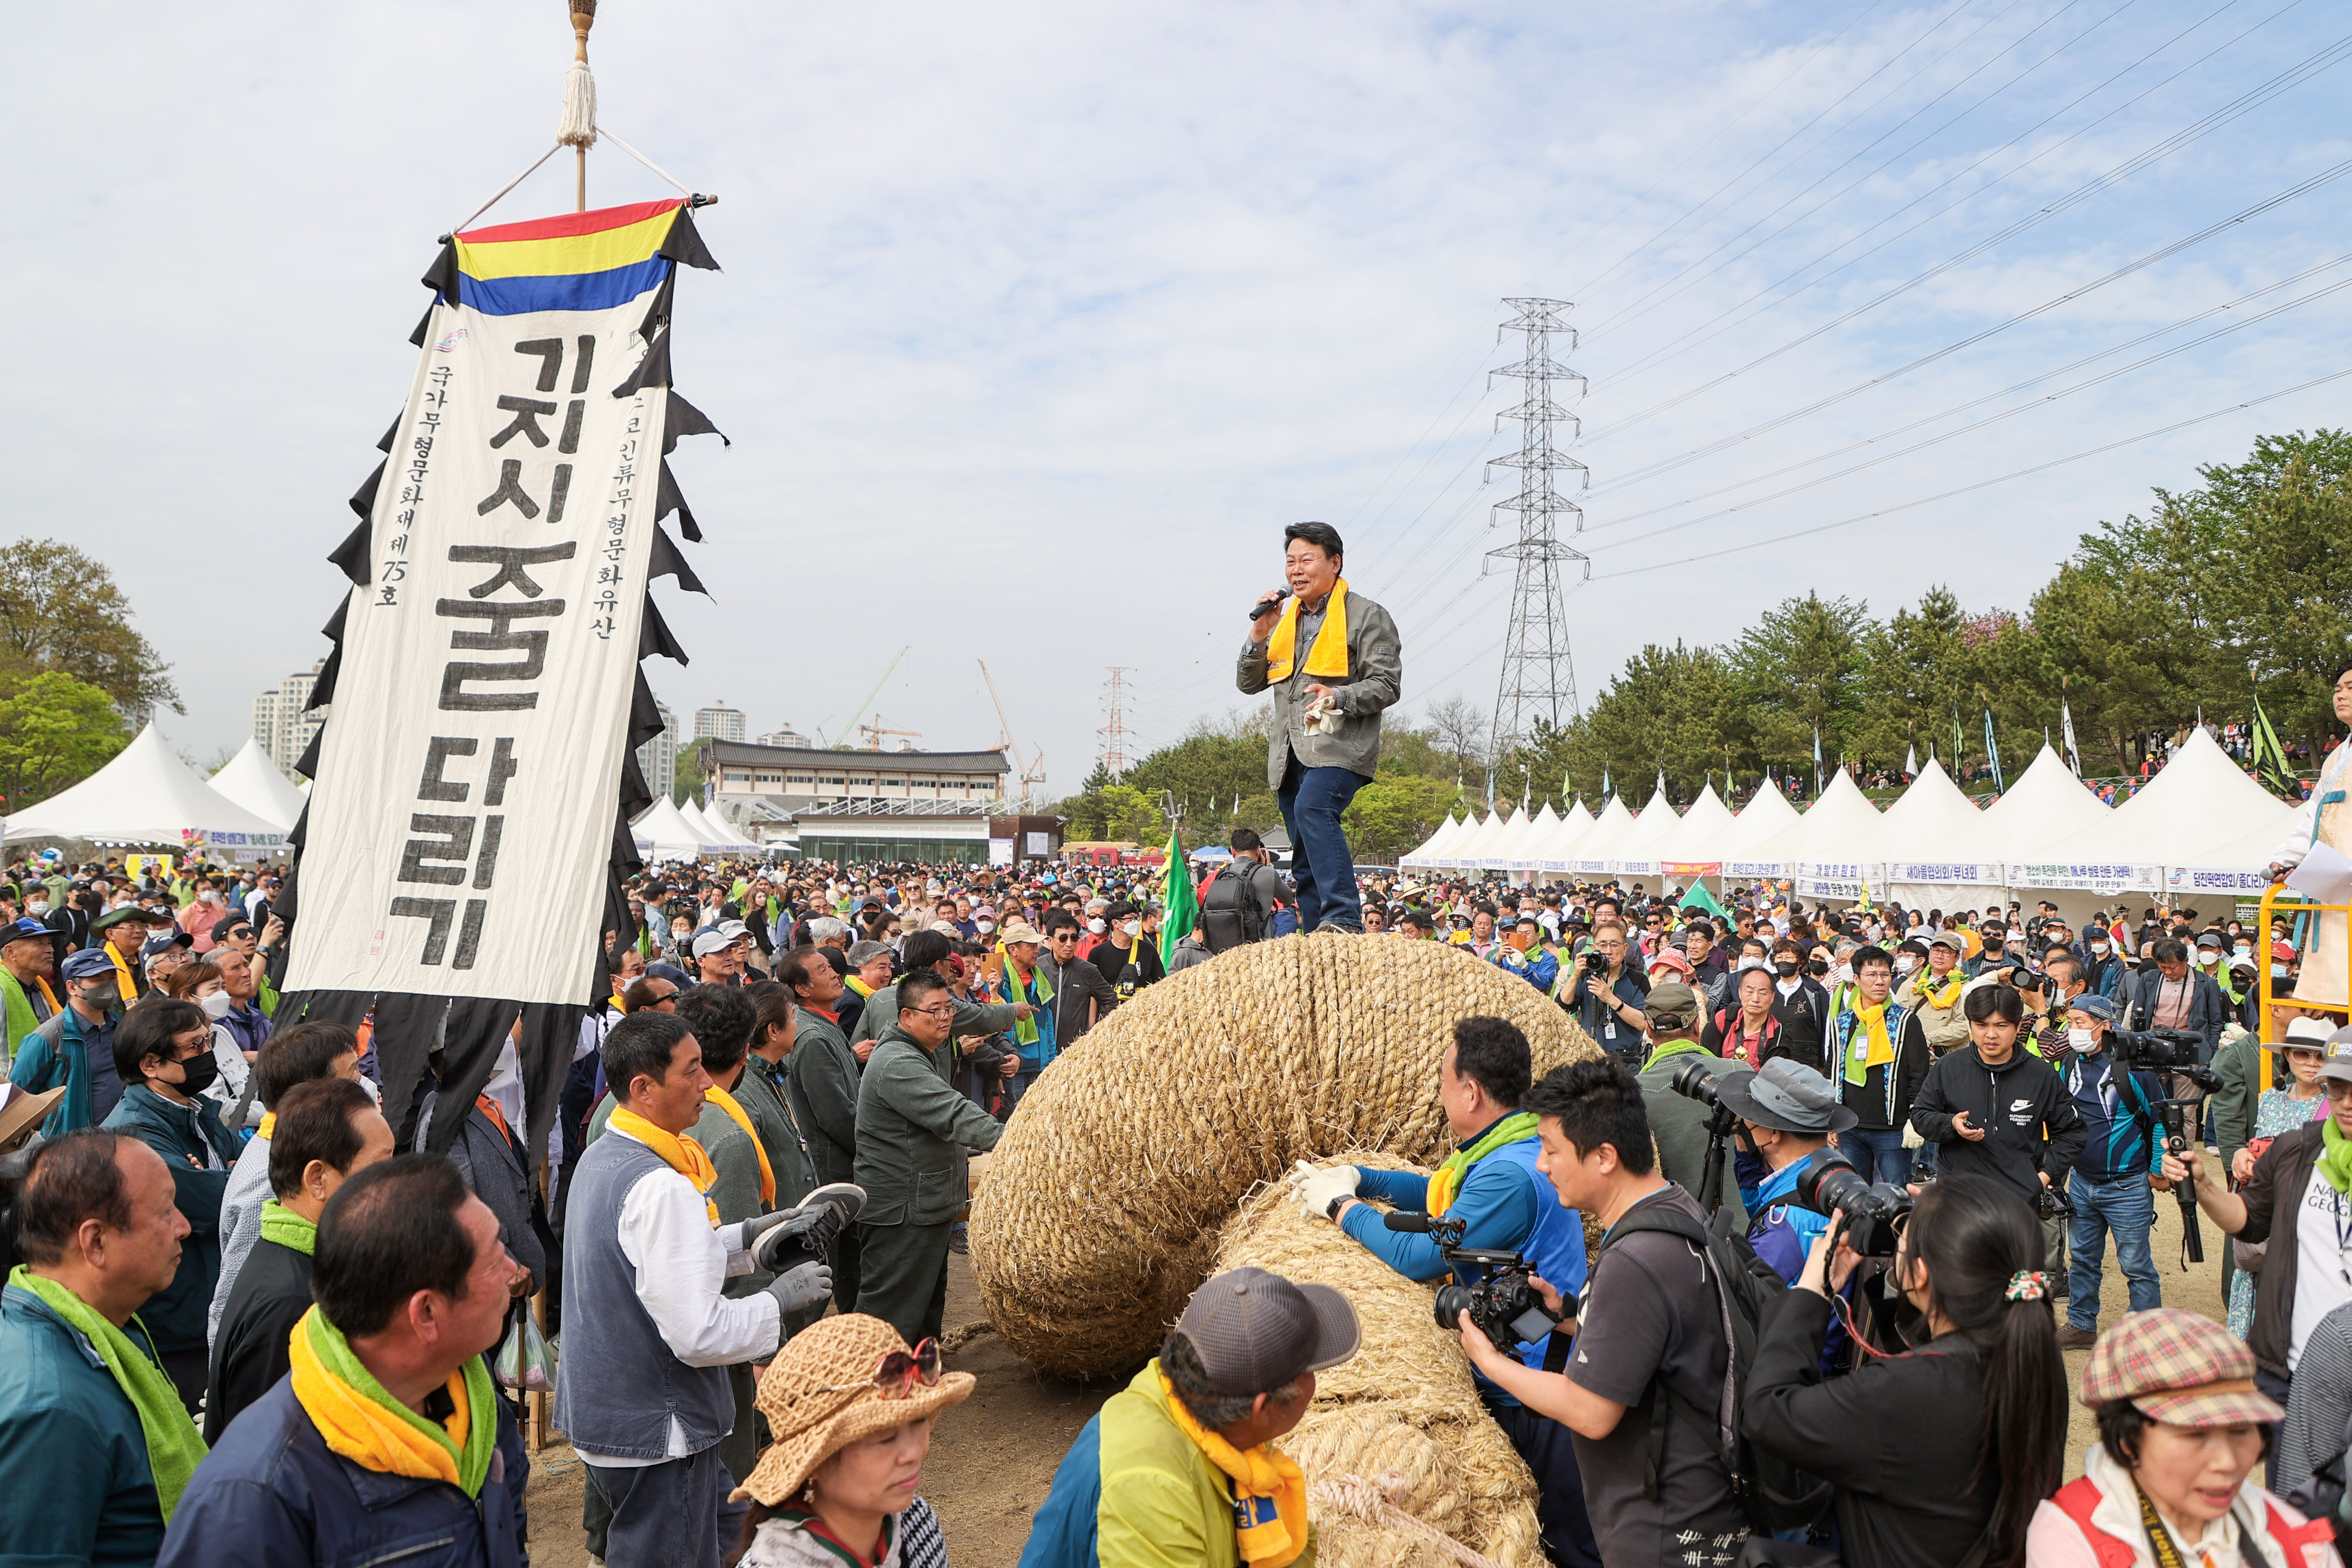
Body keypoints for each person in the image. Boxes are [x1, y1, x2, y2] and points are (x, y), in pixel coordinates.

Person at [1293, 1015, 1599, 1566]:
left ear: (1471, 1090)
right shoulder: (1506, 1146)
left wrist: (1341, 1207)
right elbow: (1441, 1199)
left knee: (1565, 1535)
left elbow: (1420, 1254)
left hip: (1540, 1387)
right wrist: (1361, 1176)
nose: (1439, 1092)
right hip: (1528, 1371)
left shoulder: (1509, 1174)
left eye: (1442, 1079)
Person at [555, 1010, 846, 1568]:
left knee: (736, 1538)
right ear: (644, 1088)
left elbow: (660, 1261)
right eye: (691, 1071)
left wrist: (751, 1234)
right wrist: (778, 1299)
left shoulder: (607, 1151)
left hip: (615, 1416)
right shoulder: (661, 1184)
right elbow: (697, 1332)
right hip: (659, 1428)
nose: (707, 1082)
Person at [159, 1156, 532, 1567]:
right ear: (426, 1313)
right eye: (495, 1259)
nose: (512, 1271)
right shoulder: (256, 1495)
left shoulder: (476, 1411)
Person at [1455, 1056, 1750, 1568]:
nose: (1542, 1165)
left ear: (1605, 1156)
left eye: (1551, 1150)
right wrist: (1569, 1317)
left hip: (1663, 1534)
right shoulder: (1677, 1208)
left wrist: (1489, 1360)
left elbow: (1591, 1411)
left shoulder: (1634, 1261)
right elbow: (1662, 1336)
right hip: (1709, 1508)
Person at [1747, 1174, 2068, 1568]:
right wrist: (1939, 1218)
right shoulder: (2028, 1356)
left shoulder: (1904, 1394)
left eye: (1901, 1243)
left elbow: (1767, 1412)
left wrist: (1814, 1286)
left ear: (1919, 1275)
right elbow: (1928, 1349)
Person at [1020, 1266, 1358, 1568]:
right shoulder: (1150, 1490)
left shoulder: (1214, 1400)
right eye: (1311, 1369)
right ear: (1262, 1409)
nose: (1317, 1380)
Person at [0, 1129, 204, 1566]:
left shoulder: (104, 1330)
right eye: (165, 1211)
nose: (183, 1227)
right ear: (95, 1242)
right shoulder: (50, 1409)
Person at [2029, 1307, 2336, 1568]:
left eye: (2241, 1430)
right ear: (2127, 1439)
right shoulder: (2070, 1537)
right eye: (2195, 1435)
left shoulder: (2289, 1530)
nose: (2227, 1462)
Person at [2166, 1028, 2352, 1410]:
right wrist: (2203, 1183)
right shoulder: (2295, 1148)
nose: (2346, 1102)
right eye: (2336, 1088)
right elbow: (2247, 1220)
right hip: (2290, 1369)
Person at [203, 1078, 395, 1441]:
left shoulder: (308, 1266)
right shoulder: (290, 1303)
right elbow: (263, 1459)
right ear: (317, 1179)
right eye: (379, 1167)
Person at [1238, 520, 1402, 934]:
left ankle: (1344, 916)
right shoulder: (1283, 617)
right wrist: (1260, 634)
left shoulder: (1367, 615)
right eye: (1290, 561)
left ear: (1335, 562)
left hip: (1339, 746)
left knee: (1315, 808)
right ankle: (1318, 929)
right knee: (1305, 848)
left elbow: (1386, 684)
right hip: (1289, 752)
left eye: (1307, 559)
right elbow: (1248, 684)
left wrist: (1338, 696)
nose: (1296, 570)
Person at [726, 1313, 975, 1567]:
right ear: (815, 1463)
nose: (914, 1451)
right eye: (885, 1438)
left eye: (920, 1421)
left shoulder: (916, 1524)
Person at [101, 996, 243, 1412]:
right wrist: (227, 1177)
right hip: (179, 1325)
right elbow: (221, 1200)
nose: (208, 1055)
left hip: (212, 1306)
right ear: (151, 1064)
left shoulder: (197, 1111)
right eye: (195, 1047)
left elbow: (250, 1174)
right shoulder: (134, 1132)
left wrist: (226, 1173)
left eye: (208, 1041)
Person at [855, 971, 1006, 1346]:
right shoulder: (898, 1063)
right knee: (892, 1312)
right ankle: (872, 1393)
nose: (945, 1018)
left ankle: (918, 1385)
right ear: (906, 1017)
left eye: (948, 1009)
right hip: (903, 1210)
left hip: (924, 1204)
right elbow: (954, 1113)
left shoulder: (918, 1052)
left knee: (924, 1304)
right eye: (933, 1011)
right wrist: (1020, 1141)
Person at [206, 1020, 366, 1347]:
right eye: (351, 1072)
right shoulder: (272, 1175)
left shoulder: (300, 1147)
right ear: (313, 1091)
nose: (361, 1081)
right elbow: (239, 1290)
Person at [2053, 993, 2168, 1349]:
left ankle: (2145, 1335)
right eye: (2070, 1022)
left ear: (2105, 1026)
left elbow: (2161, 1119)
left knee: (2136, 1265)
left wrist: (2158, 1169)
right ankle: (2081, 1325)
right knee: (2083, 1259)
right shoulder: (2070, 1062)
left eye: (2080, 1023)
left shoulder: (2132, 1069)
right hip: (2081, 1184)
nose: (2072, 1030)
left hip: (2127, 1186)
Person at [1911, 984, 2085, 1214]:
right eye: (1981, 1025)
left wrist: (2042, 1178)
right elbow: (1921, 1117)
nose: (1990, 1035)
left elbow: (2073, 1132)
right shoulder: (1949, 1067)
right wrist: (1952, 1124)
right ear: (1971, 1025)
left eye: (2001, 1026)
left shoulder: (2040, 1074)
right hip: (1957, 1201)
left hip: (2018, 1204)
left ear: (2017, 1025)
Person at [2227, 1022, 2334, 1338]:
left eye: (2321, 1056)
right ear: (2287, 1055)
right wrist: (2241, 1156)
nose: (2312, 1063)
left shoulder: (2336, 1105)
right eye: (2303, 1053)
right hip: (2264, 1211)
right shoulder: (2270, 1098)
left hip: (2306, 1214)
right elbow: (2257, 1143)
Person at [1713, 1056, 1854, 1282]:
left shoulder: (1783, 1225)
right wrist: (1745, 1146)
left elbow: (1753, 1298)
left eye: (1753, 1116)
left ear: (1775, 1133)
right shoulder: (1836, 1170)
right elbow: (1763, 1203)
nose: (1746, 1121)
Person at [781, 946, 866, 1314]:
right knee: (826, 1270)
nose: (834, 972)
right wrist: (874, 1151)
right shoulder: (813, 1038)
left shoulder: (824, 1026)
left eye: (831, 966)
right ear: (802, 988)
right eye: (822, 969)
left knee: (847, 1266)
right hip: (832, 1170)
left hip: (840, 1164)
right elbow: (837, 1117)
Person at [1630, 981, 1747, 1219]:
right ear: (1697, 1024)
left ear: (1648, 1030)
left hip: (1673, 1239)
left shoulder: (1632, 1095)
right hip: (1747, 1236)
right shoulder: (1740, 1071)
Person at [1827, 946, 1933, 1186]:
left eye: (1885, 975)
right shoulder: (1842, 1023)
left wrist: (1914, 1118)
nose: (1879, 982)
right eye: (1872, 975)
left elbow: (1919, 1073)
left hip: (1892, 1128)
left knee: (1896, 1194)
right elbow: (1833, 1071)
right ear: (1856, 979)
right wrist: (1832, 1119)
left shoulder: (1905, 1021)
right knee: (1855, 1193)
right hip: (1851, 1126)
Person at [9, 946, 132, 1135]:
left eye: (112, 979)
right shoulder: (48, 1037)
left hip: (120, 1138)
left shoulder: (117, 1025)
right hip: (70, 1145)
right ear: (73, 987)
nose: (108, 986)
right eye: (97, 980)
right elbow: (16, 1099)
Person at [2121, 938, 2230, 1065]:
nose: (2168, 972)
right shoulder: (2148, 979)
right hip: (2153, 1047)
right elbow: (2137, 1013)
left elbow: (2215, 1022)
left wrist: (2210, 1051)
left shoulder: (2205, 983)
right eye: (2162, 967)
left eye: (2173, 967)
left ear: (2186, 961)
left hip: (2189, 1051)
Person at [1558, 918, 1650, 1061]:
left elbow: (1643, 1023)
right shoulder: (1585, 978)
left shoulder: (1638, 980)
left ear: (1625, 949)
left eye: (1614, 945)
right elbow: (1562, 1007)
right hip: (1591, 1059)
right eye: (1603, 945)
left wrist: (1612, 1000)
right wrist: (1575, 975)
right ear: (1594, 948)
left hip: (1627, 1061)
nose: (1608, 951)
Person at [1894, 930, 1973, 1055]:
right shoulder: (1912, 983)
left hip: (1944, 1058)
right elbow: (1897, 1016)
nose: (1939, 956)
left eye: (1946, 952)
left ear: (1957, 957)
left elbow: (1964, 1026)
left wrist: (1930, 1038)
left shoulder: (1965, 987)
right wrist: (1914, 1041)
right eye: (1936, 951)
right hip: (1910, 1053)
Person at [0, 914, 59, 1070]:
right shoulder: (2, 988)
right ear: (11, 951)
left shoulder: (39, 987)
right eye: (39, 944)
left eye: (49, 943)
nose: (50, 950)